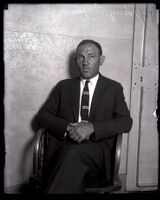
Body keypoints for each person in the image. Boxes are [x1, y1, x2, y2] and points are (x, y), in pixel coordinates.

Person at [36, 39, 133, 193]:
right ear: (76, 61)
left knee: (72, 155)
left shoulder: (113, 88)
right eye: (81, 57)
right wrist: (67, 127)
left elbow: (126, 122)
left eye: (91, 56)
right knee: (70, 161)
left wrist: (93, 127)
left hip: (97, 152)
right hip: (64, 147)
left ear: (101, 60)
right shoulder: (64, 86)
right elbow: (42, 116)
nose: (85, 62)